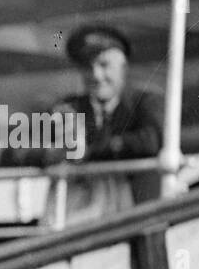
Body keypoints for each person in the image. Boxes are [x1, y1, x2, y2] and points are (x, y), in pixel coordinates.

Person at [20, 24, 164, 226]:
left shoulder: (145, 103)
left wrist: (87, 150)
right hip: (76, 222)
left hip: (136, 221)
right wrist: (52, 153)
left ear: (123, 67)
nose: (96, 75)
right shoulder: (67, 108)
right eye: (88, 67)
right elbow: (18, 149)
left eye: (104, 65)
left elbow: (150, 140)